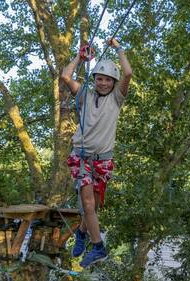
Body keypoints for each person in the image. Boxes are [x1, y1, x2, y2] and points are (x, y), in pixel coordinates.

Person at [60, 38, 132, 268]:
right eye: (99, 78)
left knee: (95, 206)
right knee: (88, 205)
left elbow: (128, 73)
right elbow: (65, 77)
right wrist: (80, 58)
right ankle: (98, 246)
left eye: (108, 80)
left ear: (113, 82)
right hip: (81, 158)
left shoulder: (116, 99)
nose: (103, 83)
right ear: (94, 80)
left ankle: (82, 233)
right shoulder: (84, 95)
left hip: (103, 160)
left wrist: (118, 47)